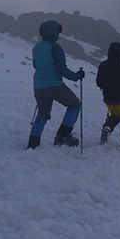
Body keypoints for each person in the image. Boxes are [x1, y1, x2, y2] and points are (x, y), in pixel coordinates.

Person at [28, 20, 84, 149]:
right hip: (55, 86)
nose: (59, 34)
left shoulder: (37, 47)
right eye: (58, 31)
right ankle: (62, 137)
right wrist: (77, 76)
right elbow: (61, 69)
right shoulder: (56, 48)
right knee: (75, 105)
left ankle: (33, 143)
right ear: (53, 32)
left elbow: (35, 65)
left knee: (42, 114)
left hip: (38, 86)